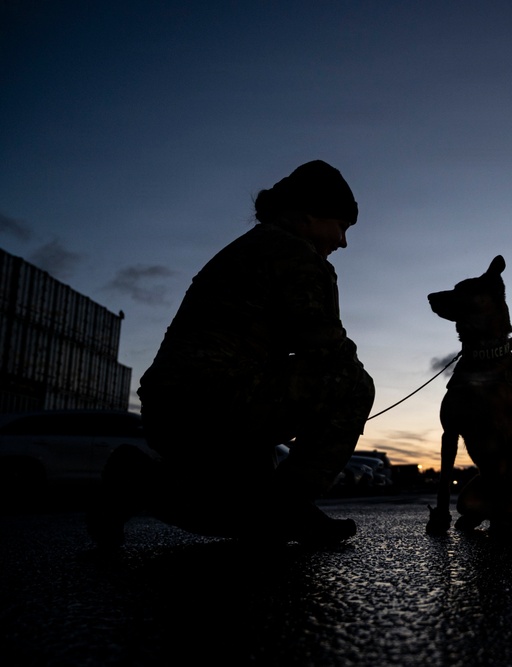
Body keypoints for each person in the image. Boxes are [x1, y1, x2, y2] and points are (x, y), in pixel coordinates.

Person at [87, 160, 376, 549]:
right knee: (353, 383)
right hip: (220, 402)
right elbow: (327, 350)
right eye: (341, 227)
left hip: (172, 408)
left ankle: (138, 479)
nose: (342, 242)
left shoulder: (247, 248)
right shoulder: (298, 256)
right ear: (310, 214)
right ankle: (288, 505)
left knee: (241, 517)